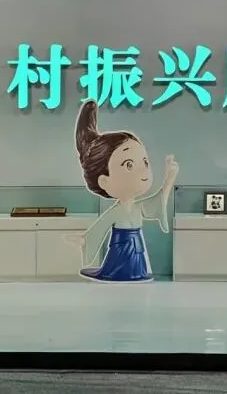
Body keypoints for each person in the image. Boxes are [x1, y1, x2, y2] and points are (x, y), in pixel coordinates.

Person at [66, 100, 179, 282]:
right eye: (129, 165)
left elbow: (159, 200)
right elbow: (100, 228)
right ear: (104, 181)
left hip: (137, 249)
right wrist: (85, 240)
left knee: (135, 271)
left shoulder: (137, 206)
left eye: (145, 162)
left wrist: (170, 177)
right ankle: (118, 274)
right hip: (120, 250)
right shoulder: (116, 211)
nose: (142, 171)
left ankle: (135, 274)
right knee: (120, 276)